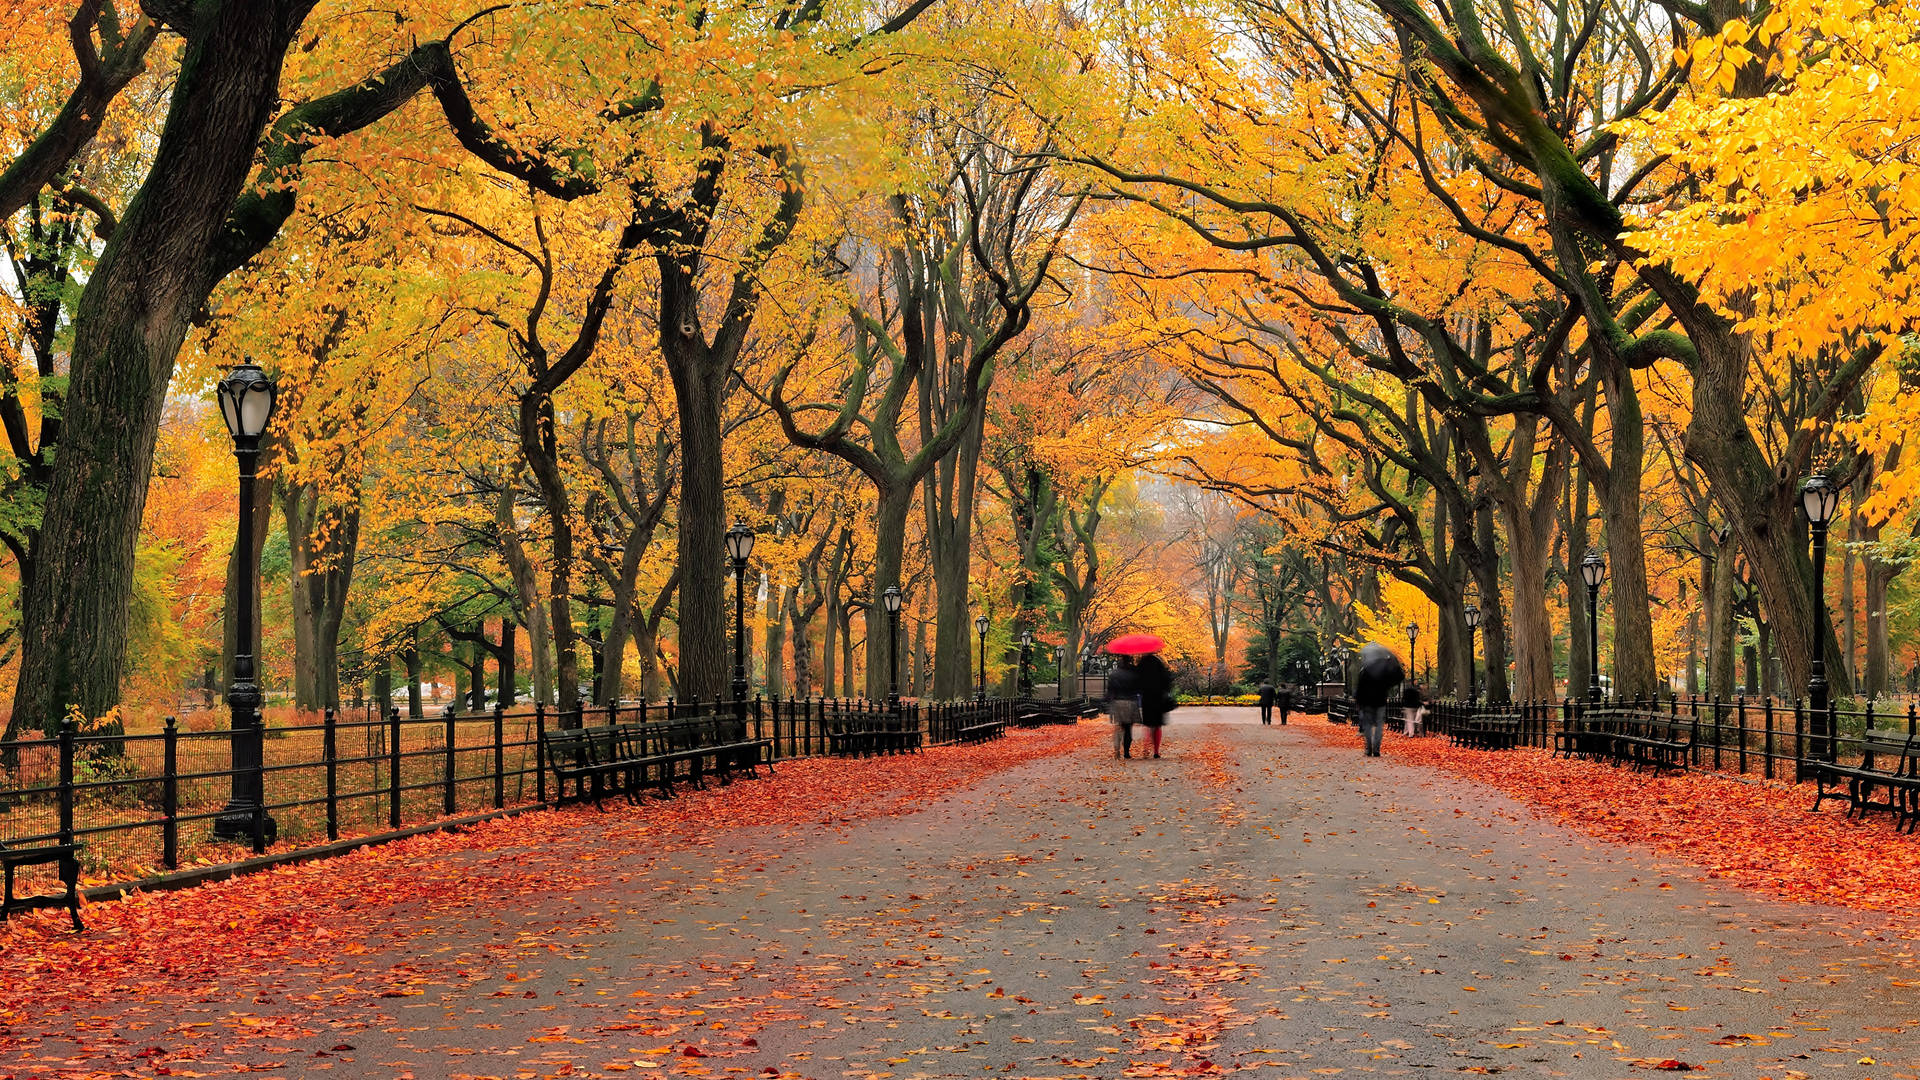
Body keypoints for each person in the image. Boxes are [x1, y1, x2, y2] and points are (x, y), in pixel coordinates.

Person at [1352, 642, 1404, 757]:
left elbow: (1360, 687)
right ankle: (1376, 749)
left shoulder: (1365, 670)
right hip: (1380, 700)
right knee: (1379, 725)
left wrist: (1359, 702)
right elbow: (1399, 677)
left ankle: (1368, 748)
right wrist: (1393, 659)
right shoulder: (1384, 668)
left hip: (1367, 701)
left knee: (1368, 725)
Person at [1134, 651, 1175, 758]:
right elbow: (1167, 680)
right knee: (1157, 725)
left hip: (1147, 698)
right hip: (1158, 698)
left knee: (1147, 724)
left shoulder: (1141, 664)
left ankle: (1146, 748)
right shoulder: (1159, 663)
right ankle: (1156, 751)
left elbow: (1136, 681)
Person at [1107, 655, 1142, 759]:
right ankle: (1126, 752)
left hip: (1117, 702)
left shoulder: (1114, 674)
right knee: (1128, 728)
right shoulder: (1134, 673)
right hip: (1130, 702)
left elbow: (1110, 690)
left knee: (1118, 726)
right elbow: (1139, 688)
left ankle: (1116, 749)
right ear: (1130, 660)